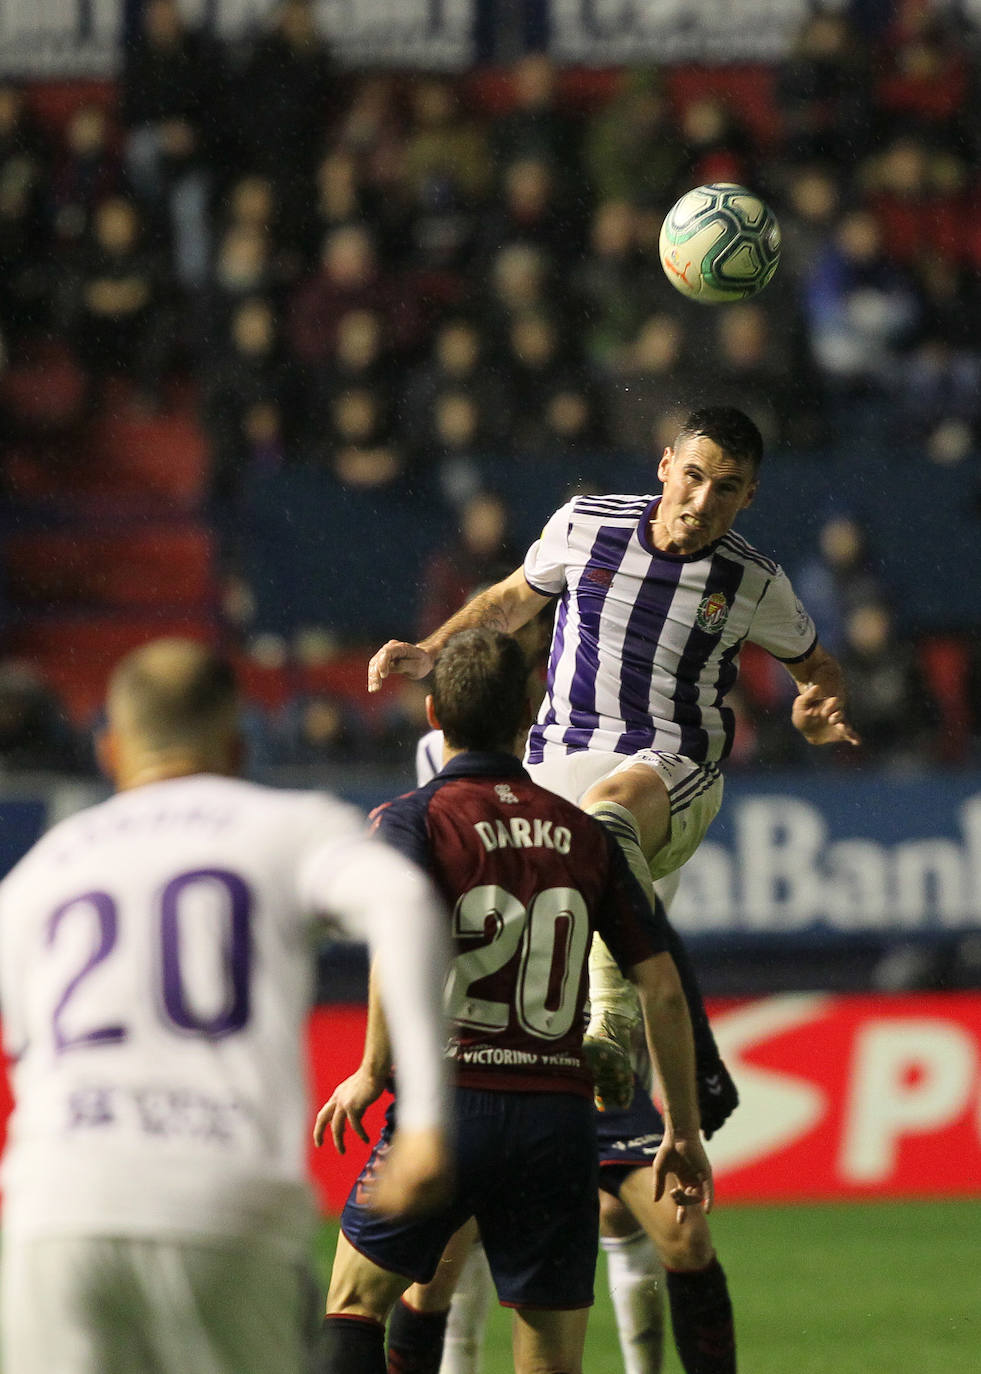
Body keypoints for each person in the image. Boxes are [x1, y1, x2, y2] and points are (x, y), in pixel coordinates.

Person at [368, 406, 860, 1374]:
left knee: (607, 818)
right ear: (666, 464)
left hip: (666, 777)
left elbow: (814, 663)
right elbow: (512, 598)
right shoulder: (588, 524)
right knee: (447, 1241)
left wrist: (819, 700)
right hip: (551, 797)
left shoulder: (752, 581)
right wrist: (431, 651)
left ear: (749, 496)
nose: (704, 501)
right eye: (694, 476)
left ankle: (613, 1022)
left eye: (728, 488)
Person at [0, 638, 454, 1374]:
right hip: (220, 1197)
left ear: (111, 749)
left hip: (57, 1208)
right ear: (239, 746)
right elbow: (404, 899)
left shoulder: (39, 871)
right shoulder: (284, 825)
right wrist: (427, 1125)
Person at [318, 627, 713, 1374]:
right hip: (555, 1124)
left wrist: (372, 1070)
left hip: (449, 1107)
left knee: (352, 1306)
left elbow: (395, 938)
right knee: (551, 1356)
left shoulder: (409, 821)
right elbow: (658, 985)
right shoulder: (586, 835)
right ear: (529, 718)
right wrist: (682, 1130)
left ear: (433, 714)